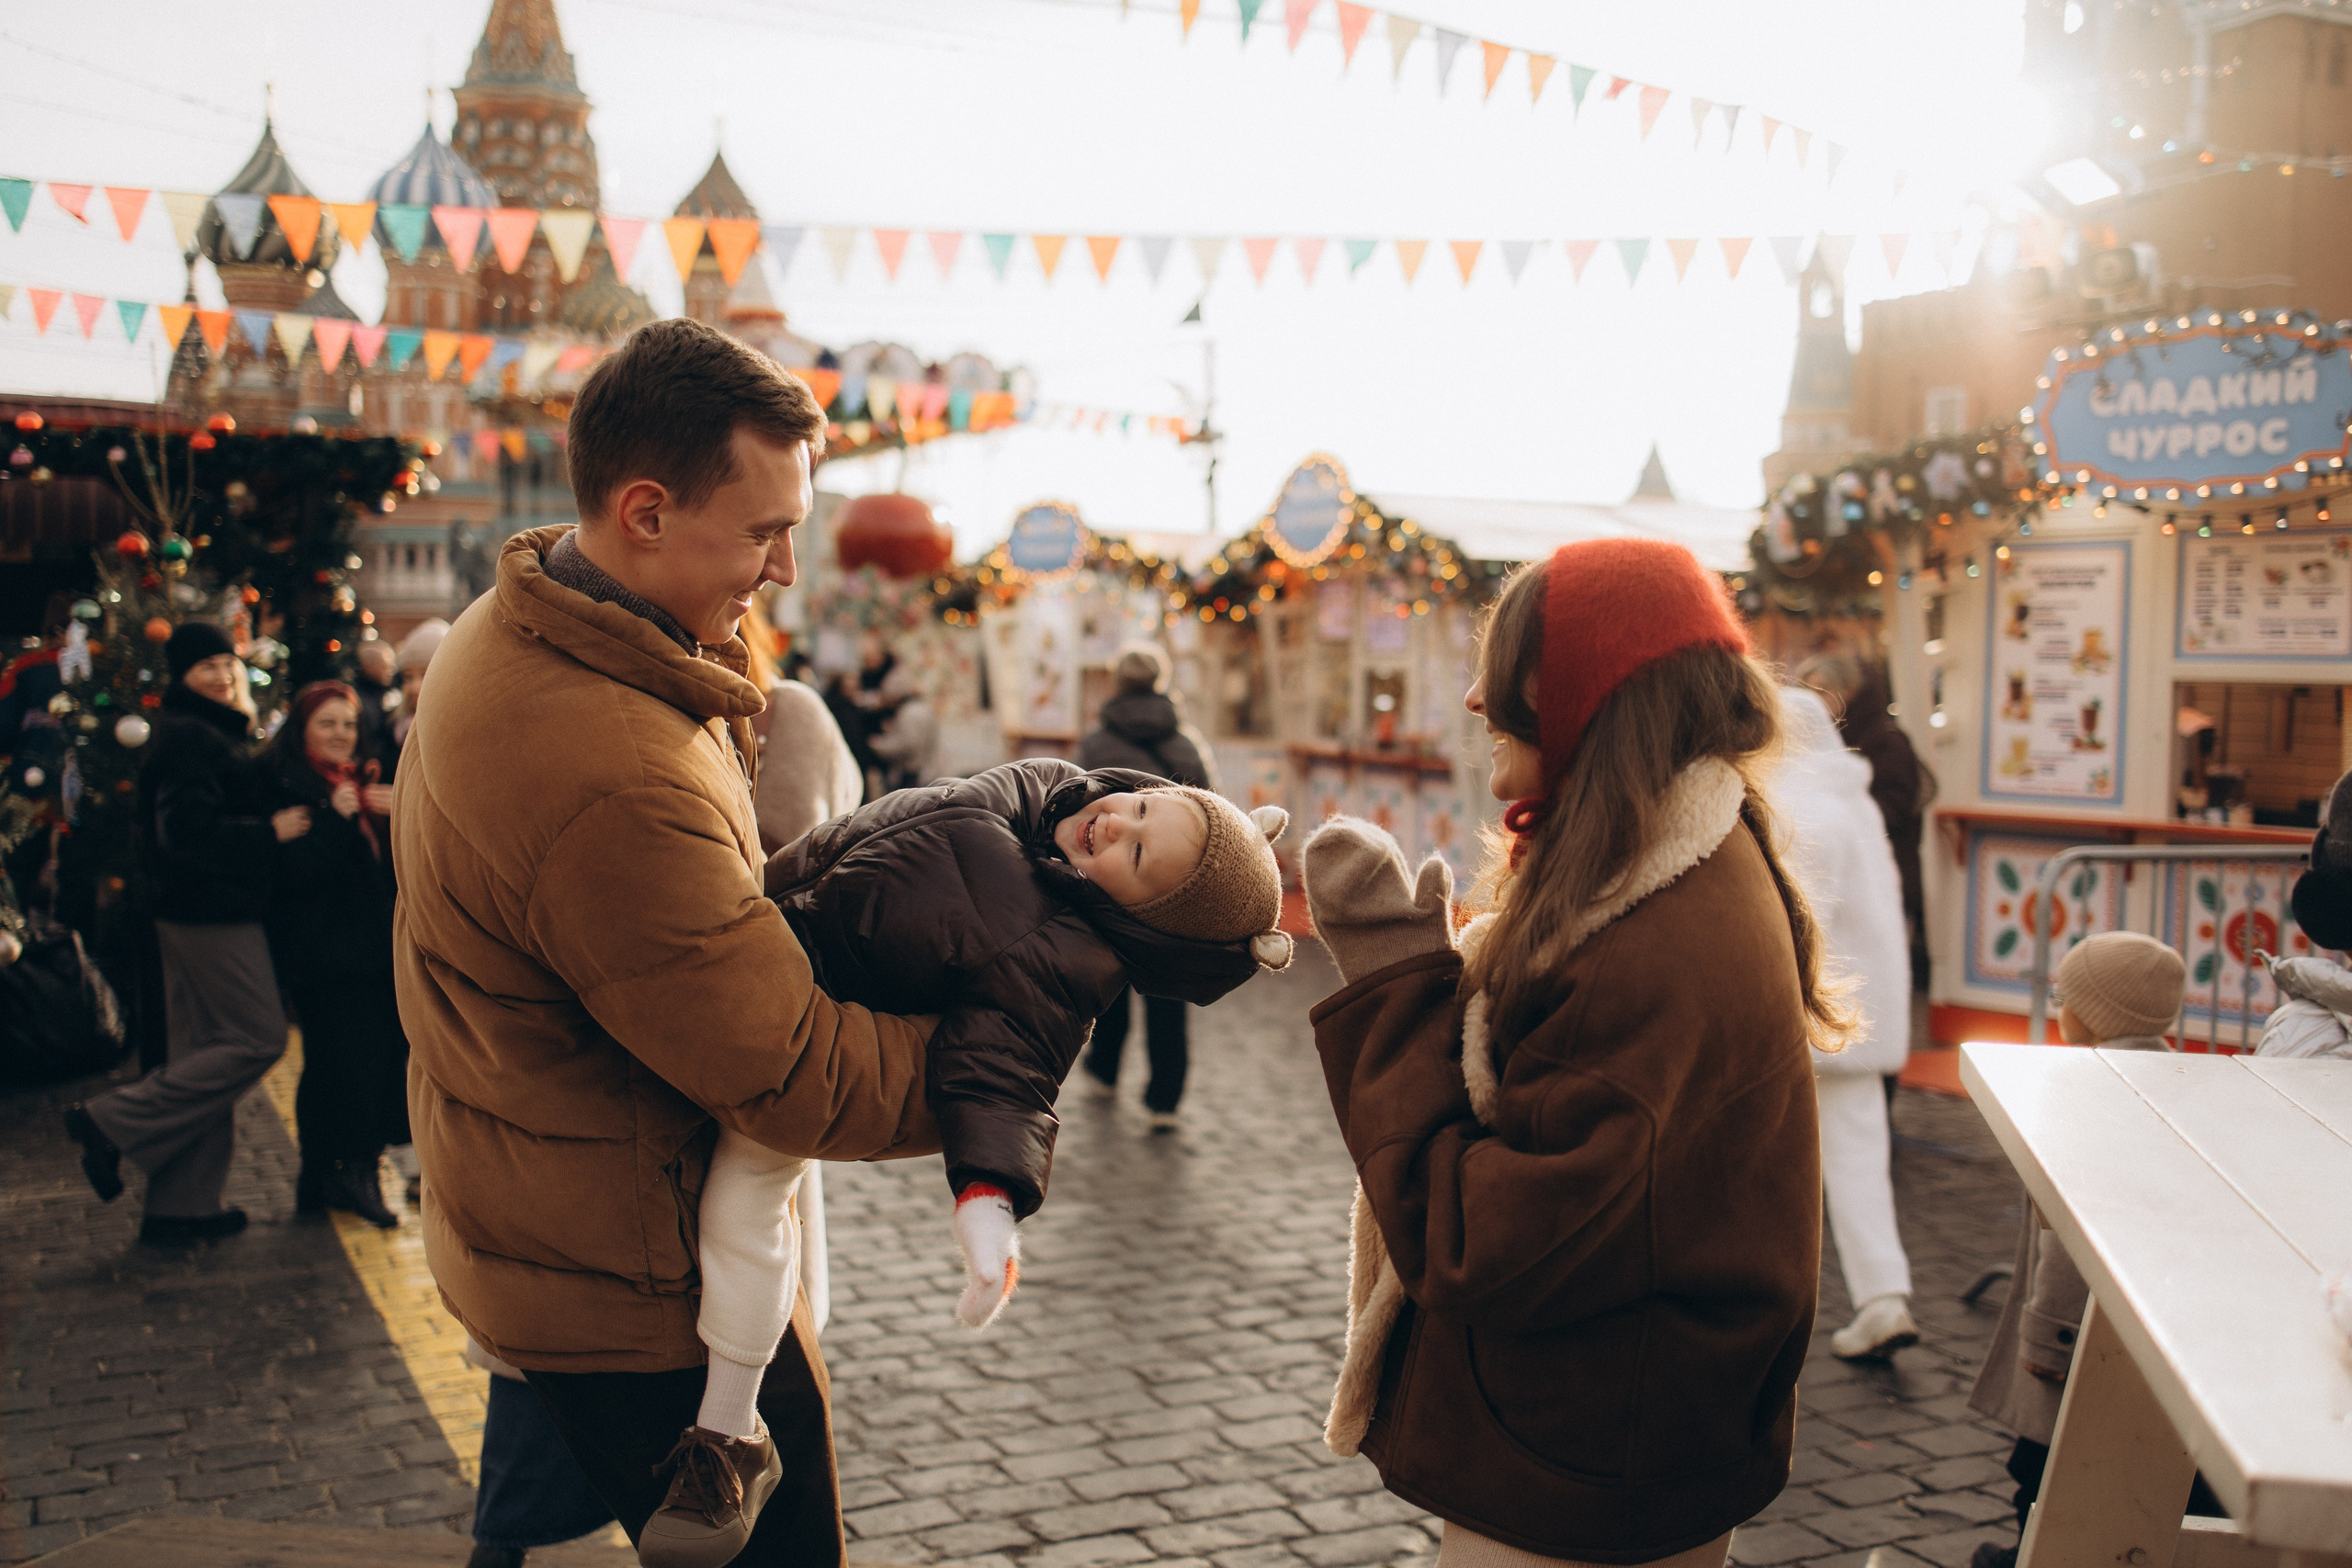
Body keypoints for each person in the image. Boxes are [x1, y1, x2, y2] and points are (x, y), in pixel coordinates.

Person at [391, 317, 940, 1568]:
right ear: (644, 511)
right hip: (646, 1286)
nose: (786, 568)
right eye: (763, 531)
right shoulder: (611, 766)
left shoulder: (520, 617)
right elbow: (789, 1069)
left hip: (549, 1210)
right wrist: (1007, 1064)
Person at [1299, 539, 1837, 1568]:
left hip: (1586, 1452)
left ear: (1592, 693)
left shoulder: (1650, 948)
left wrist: (1394, 991)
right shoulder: (1690, 862)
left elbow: (1476, 1245)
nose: (1474, 699)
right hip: (1639, 1424)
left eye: (1507, 674)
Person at [759, 759, 1285, 1330]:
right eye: (1140, 806)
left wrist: (989, 1211)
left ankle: (739, 1382)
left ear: (1139, 919)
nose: (1116, 824)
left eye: (1136, 855)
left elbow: (1004, 1073)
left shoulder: (1060, 957)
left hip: (785, 998)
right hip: (763, 896)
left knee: (749, 1214)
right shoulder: (1049, 785)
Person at [62, 622, 309, 1244]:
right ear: (183, 677)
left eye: (227, 664)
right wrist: (267, 833)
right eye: (207, 668)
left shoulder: (203, 731)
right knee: (258, 1037)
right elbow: (186, 834)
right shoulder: (191, 738)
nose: (222, 676)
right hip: (209, 912)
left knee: (202, 1049)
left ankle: (181, 1206)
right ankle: (110, 1121)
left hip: (184, 910)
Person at [1965, 931, 2190, 1568]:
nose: (2060, 1007)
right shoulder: (2176, 1080)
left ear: (2093, 1016)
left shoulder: (2085, 1096)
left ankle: (2034, 1554)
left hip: (2076, 1331)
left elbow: (2066, 1239)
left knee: (2043, 1464)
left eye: (2066, 997)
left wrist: (2048, 1339)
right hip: (2148, 1321)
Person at [1774, 687, 1922, 1361]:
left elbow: (1798, 923)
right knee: (1860, 1163)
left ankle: (1758, 1304)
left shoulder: (1804, 806)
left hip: (1817, 1013)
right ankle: (1883, 1297)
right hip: (1862, 1016)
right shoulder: (1851, 802)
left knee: (1764, 1166)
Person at [262, 680, 407, 1229]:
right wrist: (335, 819)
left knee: (353, 1064)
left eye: (348, 724)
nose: (341, 734)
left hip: (368, 952)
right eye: (327, 723)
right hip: (325, 957)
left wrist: (396, 815)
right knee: (347, 1067)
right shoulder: (288, 785)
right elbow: (295, 875)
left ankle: (324, 1177)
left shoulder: (362, 781)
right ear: (302, 730)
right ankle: (352, 1172)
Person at [1077, 643, 1217, 1129]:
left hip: (1110, 882)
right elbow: (1215, 816)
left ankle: (1105, 1068)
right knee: (1169, 993)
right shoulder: (1187, 744)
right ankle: (1165, 1100)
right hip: (1172, 887)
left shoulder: (1096, 744)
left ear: (1117, 683)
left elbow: (1078, 806)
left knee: (1110, 979)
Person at [1797, 653, 1934, 987]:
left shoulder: (1886, 741)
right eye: (1808, 691)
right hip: (1831, 878)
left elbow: (1896, 806)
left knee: (1874, 976)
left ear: (1848, 691)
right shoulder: (1811, 744)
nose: (1815, 701)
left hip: (1880, 876)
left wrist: (1841, 818)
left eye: (1823, 691)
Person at [390, 617, 448, 749]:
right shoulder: (392, 727)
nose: (415, 687)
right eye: (408, 677)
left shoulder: (457, 726)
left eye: (424, 675)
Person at [352, 638, 405, 778]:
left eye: (392, 666)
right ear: (368, 667)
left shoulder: (392, 689)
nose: (391, 671)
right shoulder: (358, 699)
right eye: (385, 666)